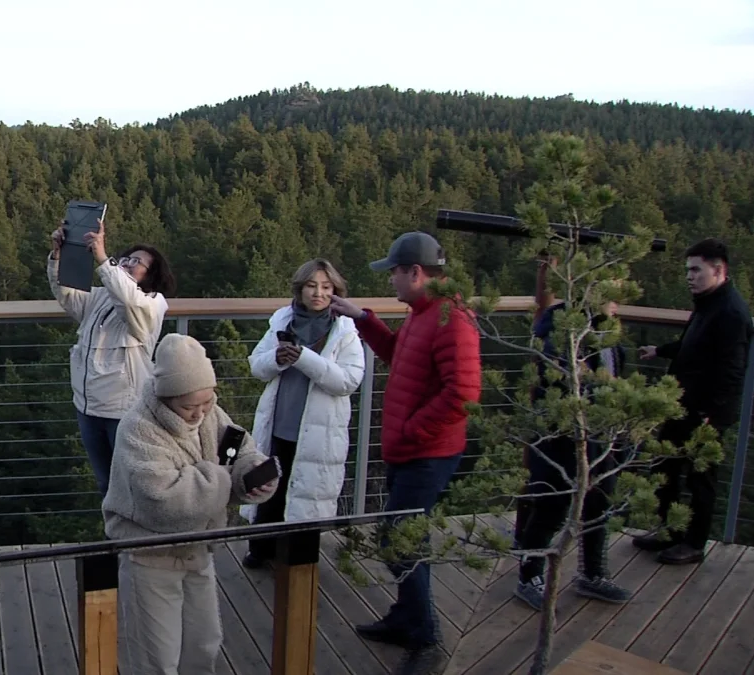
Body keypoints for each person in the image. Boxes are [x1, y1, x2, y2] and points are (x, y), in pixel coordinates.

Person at [329, 231, 480, 675]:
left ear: (415, 272)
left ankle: (427, 636)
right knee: (400, 534)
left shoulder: (452, 318)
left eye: (394, 272)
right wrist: (363, 318)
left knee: (400, 539)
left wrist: (413, 430)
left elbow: (464, 393)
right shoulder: (423, 313)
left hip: (426, 453)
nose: (391, 280)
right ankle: (405, 617)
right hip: (410, 450)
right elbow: (401, 355)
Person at [102, 334, 277, 675]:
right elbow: (164, 501)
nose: (199, 413)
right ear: (165, 397)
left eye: (208, 402)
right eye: (188, 406)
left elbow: (238, 449)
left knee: (203, 646)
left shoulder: (210, 413)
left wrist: (252, 474)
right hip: (150, 557)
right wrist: (227, 481)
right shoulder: (138, 429)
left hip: (198, 551)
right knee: (157, 658)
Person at [512, 258, 631, 610]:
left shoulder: (606, 330)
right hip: (562, 435)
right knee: (552, 505)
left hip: (598, 433)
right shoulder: (564, 329)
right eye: (611, 291)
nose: (617, 300)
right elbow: (561, 376)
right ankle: (528, 574)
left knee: (600, 500)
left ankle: (592, 573)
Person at [241, 258, 366, 568]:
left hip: (318, 431)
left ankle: (298, 564)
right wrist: (278, 358)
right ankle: (262, 550)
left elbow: (348, 381)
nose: (318, 293)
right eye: (311, 286)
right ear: (300, 289)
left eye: (326, 287)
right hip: (279, 423)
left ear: (336, 291)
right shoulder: (283, 319)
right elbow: (257, 365)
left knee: (308, 497)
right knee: (270, 490)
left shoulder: (344, 329)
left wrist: (303, 358)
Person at [634, 238, 752, 565]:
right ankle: (670, 531)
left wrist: (711, 415)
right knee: (667, 466)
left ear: (718, 270)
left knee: (701, 479)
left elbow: (732, 370)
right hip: (684, 404)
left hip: (705, 413)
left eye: (696, 270)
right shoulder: (709, 302)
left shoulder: (730, 311)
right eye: (687, 270)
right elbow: (693, 345)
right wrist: (660, 351)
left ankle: (694, 543)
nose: (689, 276)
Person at [48, 217, 175, 496]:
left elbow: (129, 300)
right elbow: (67, 294)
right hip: (87, 407)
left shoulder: (152, 303)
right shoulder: (101, 297)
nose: (127, 263)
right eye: (125, 258)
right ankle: (115, 536)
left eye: (135, 262)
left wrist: (104, 258)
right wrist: (59, 255)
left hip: (123, 411)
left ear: (151, 274)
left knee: (132, 483)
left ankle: (141, 538)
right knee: (106, 483)